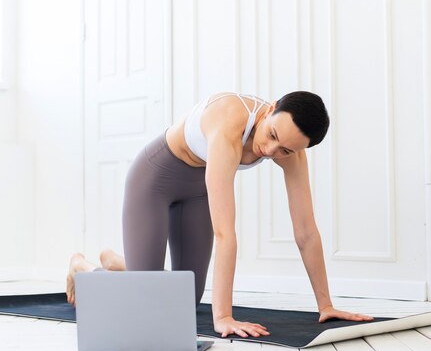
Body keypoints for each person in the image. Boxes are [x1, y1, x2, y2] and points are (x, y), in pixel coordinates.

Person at [66, 91, 373, 338]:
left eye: (285, 150)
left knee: (185, 300)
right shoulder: (229, 123)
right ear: (272, 107)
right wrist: (223, 317)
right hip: (153, 181)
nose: (270, 150)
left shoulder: (291, 148)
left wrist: (326, 304)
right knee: (146, 302)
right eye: (272, 134)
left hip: (197, 192)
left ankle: (121, 263)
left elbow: (306, 231)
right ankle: (83, 267)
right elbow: (225, 233)